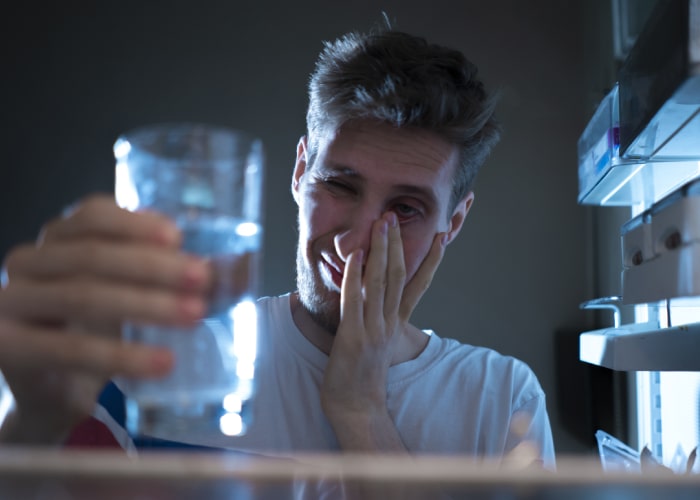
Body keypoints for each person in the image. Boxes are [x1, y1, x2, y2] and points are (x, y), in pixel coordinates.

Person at [0, 24, 555, 468]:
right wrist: (26, 419)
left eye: (405, 209)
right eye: (339, 185)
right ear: (298, 172)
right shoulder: (170, 366)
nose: (356, 240)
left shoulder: (501, 399)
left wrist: (362, 410)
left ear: (452, 222)